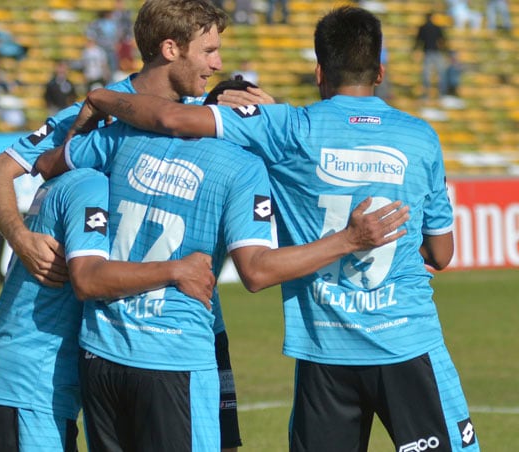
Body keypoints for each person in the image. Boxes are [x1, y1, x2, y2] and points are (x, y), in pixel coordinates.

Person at [66, 6, 479, 451]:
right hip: (408, 341)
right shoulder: (420, 137)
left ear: (319, 72)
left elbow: (172, 119)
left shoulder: (288, 127)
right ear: (379, 71)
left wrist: (102, 98)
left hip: (325, 351)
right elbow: (440, 253)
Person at [34, 79, 408, 452]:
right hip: (174, 353)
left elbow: (48, 163)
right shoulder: (242, 166)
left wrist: (88, 116)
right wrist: (349, 241)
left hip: (101, 348)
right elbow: (257, 271)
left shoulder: (130, 136)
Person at [0, 1, 272, 450]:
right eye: (209, 50)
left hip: (167, 331)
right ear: (170, 49)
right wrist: (20, 237)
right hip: (76, 343)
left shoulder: (197, 113)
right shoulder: (97, 114)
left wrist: (265, 118)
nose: (218, 63)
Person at [0, 167, 216, 452]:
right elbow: (88, 279)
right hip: (30, 379)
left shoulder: (69, 181)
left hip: (24, 371)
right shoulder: (92, 185)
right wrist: (176, 270)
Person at [414, 12, 448, 99]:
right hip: (436, 52)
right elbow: (442, 40)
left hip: (428, 52)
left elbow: (418, 41)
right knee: (440, 74)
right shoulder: (436, 27)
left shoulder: (423, 27)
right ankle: (442, 94)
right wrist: (445, 51)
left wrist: (415, 50)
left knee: (427, 75)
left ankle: (427, 95)